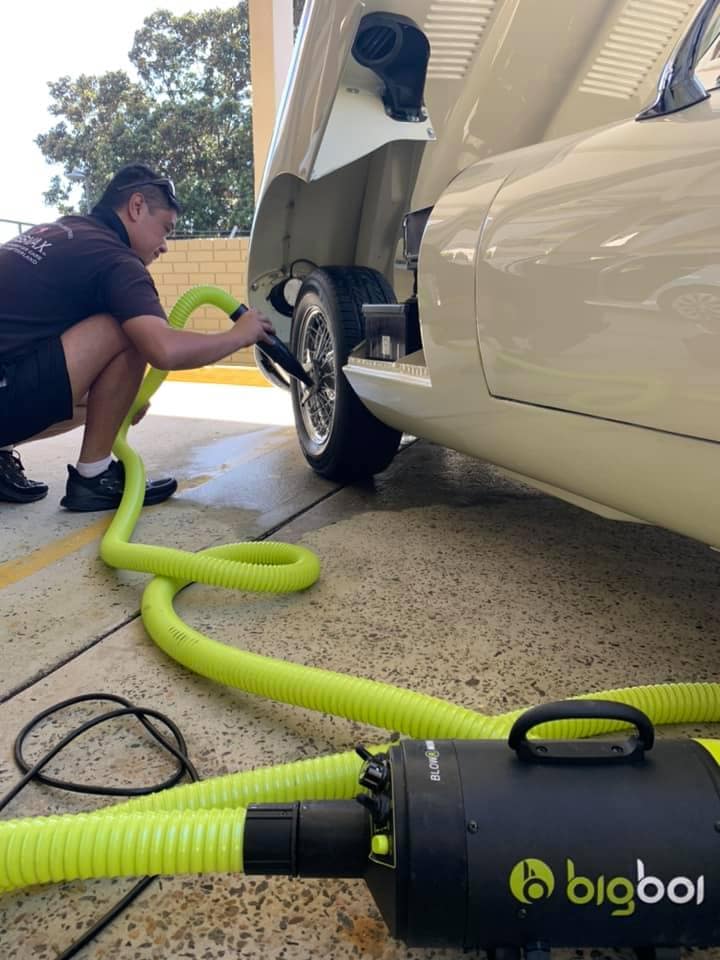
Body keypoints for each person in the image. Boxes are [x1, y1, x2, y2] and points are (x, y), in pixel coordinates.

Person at [0, 163, 274, 511]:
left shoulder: (65, 231)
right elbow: (163, 350)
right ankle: (93, 477)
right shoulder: (115, 260)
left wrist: (121, 401)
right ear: (136, 206)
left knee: (119, 402)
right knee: (129, 328)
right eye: (165, 229)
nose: (164, 247)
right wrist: (239, 334)